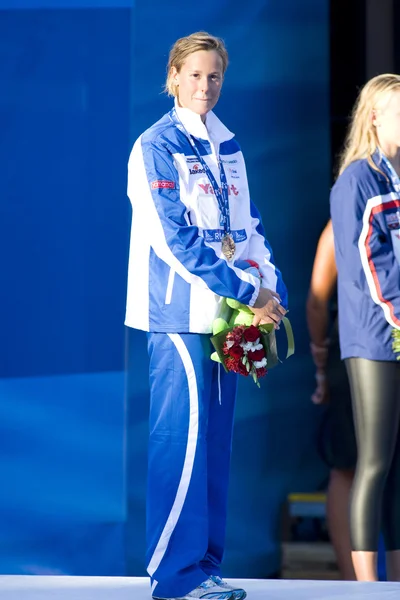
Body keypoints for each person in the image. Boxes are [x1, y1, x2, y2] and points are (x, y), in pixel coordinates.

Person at [125, 32, 288, 600]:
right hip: (177, 313)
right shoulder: (155, 145)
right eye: (194, 75)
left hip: (231, 315)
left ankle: (205, 568)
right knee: (182, 441)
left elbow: (250, 229)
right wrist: (249, 288)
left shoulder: (229, 145)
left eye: (214, 75)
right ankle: (174, 577)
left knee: (216, 443)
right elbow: (176, 239)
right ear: (172, 76)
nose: (205, 85)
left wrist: (272, 288)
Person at [330, 73, 400, 582]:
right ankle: (366, 587)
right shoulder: (357, 179)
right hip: (375, 338)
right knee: (373, 462)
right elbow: (364, 265)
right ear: (374, 116)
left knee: (398, 468)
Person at [306, 219, 357, 580]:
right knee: (348, 465)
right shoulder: (346, 208)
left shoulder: (345, 208)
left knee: (349, 467)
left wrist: (321, 363)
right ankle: (358, 582)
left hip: (355, 349)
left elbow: (317, 301)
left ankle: (359, 581)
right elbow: (317, 300)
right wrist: (323, 363)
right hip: (357, 353)